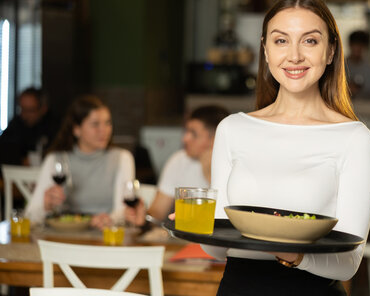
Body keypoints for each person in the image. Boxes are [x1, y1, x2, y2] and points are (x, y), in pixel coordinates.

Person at [198, 0, 370, 295]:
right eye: (281, 41)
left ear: (331, 51)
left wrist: (294, 255)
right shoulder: (232, 129)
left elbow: (348, 262)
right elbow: (216, 250)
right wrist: (198, 225)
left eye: (310, 41)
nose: (294, 55)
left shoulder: (355, 138)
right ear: (266, 51)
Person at [25, 95, 135, 229]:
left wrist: (109, 219)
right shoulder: (55, 159)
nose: (104, 130)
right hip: (64, 238)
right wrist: (46, 206)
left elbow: (123, 211)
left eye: (108, 123)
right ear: (76, 129)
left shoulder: (122, 159)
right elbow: (29, 216)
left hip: (104, 237)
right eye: (95, 124)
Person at [125, 105, 230, 227]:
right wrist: (142, 218)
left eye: (193, 134)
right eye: (186, 131)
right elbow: (157, 212)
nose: (185, 138)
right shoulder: (179, 160)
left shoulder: (233, 165)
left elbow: (229, 216)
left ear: (216, 138)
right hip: (184, 237)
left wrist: (209, 174)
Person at [0, 87, 59, 166]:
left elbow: (58, 154)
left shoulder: (55, 126)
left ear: (43, 109)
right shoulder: (16, 123)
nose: (25, 115)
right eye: (22, 109)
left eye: (30, 110)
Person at [346, 30, 370, 99]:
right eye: (355, 44)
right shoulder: (339, 67)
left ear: (366, 47)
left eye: (361, 45)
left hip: (366, 108)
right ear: (350, 45)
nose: (358, 48)